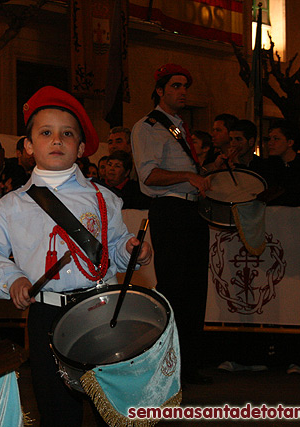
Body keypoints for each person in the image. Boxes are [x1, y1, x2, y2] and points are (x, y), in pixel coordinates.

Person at [0, 86, 151, 426]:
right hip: (46, 316)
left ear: (81, 147)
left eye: (67, 133)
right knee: (56, 406)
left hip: (101, 310)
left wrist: (131, 250)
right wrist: (13, 279)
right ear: (28, 146)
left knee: (112, 407)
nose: (57, 140)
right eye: (46, 133)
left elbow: (113, 250)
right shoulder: (10, 206)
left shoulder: (104, 199)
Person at [131, 63, 213, 385]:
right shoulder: (149, 126)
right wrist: (189, 176)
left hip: (191, 212)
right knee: (176, 291)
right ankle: (170, 365)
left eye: (185, 87)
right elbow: (149, 175)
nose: (182, 92)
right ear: (161, 91)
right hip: (171, 211)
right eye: (176, 86)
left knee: (195, 292)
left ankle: (188, 364)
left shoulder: (178, 126)